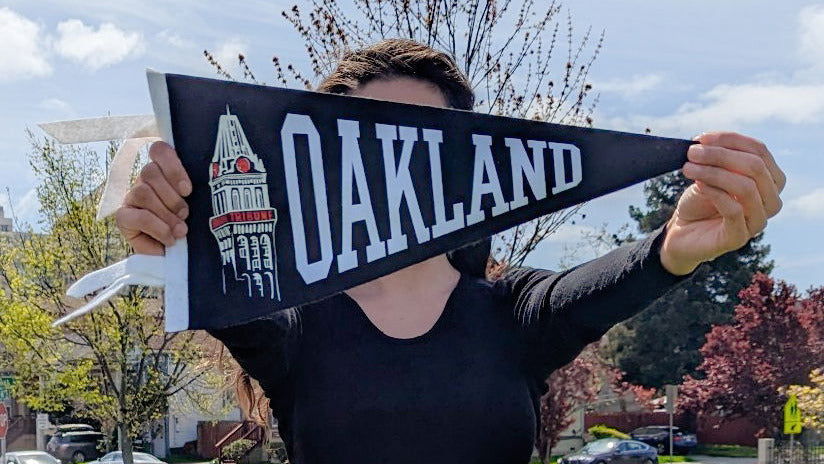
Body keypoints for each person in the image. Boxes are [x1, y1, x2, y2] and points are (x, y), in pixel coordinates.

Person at [115, 39, 785, 464]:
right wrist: (166, 222)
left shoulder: (513, 311)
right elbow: (209, 263)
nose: (394, 166)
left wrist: (673, 248)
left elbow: (595, 289)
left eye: (420, 137)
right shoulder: (291, 317)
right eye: (368, 137)